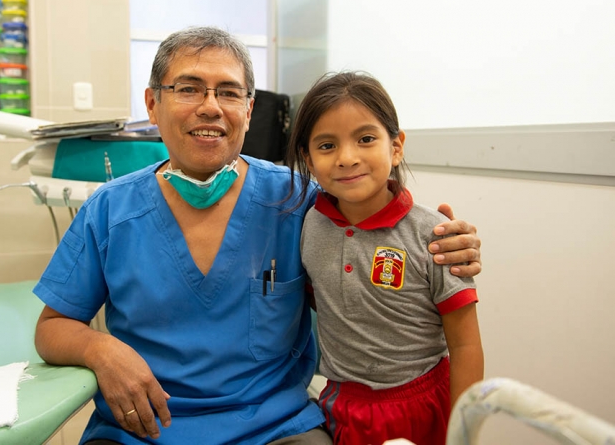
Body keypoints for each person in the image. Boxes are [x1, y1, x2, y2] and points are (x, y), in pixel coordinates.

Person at [33, 27, 482, 445]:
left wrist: (445, 238)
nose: (210, 106)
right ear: (152, 104)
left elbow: (377, 216)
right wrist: (99, 349)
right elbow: (52, 328)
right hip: (143, 430)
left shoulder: (300, 201)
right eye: (188, 88)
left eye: (228, 92)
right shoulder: (110, 211)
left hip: (276, 428)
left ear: (248, 110)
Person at [286, 71, 484, 445]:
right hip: (342, 404)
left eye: (365, 139)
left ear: (396, 147)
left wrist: (464, 429)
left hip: (422, 404)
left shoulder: (436, 234)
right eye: (326, 145)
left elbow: (465, 345)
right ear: (308, 159)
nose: (347, 158)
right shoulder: (309, 223)